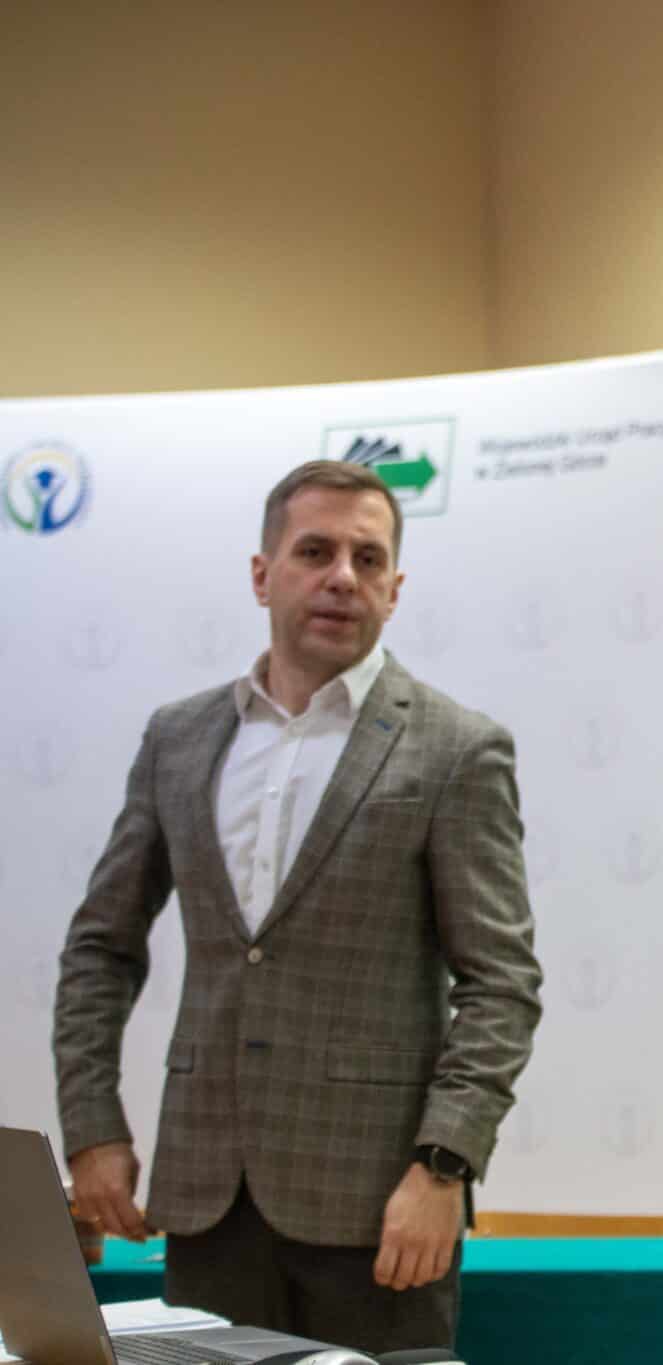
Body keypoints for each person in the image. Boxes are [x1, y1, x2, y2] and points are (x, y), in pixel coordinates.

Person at [53, 459, 543, 1354]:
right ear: (261, 573)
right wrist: (91, 1128)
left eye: (368, 557)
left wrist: (444, 1167)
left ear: (395, 589)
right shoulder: (178, 738)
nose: (341, 576)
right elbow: (100, 947)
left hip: (385, 1215)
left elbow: (501, 984)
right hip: (206, 1206)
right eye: (315, 550)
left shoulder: (458, 749)